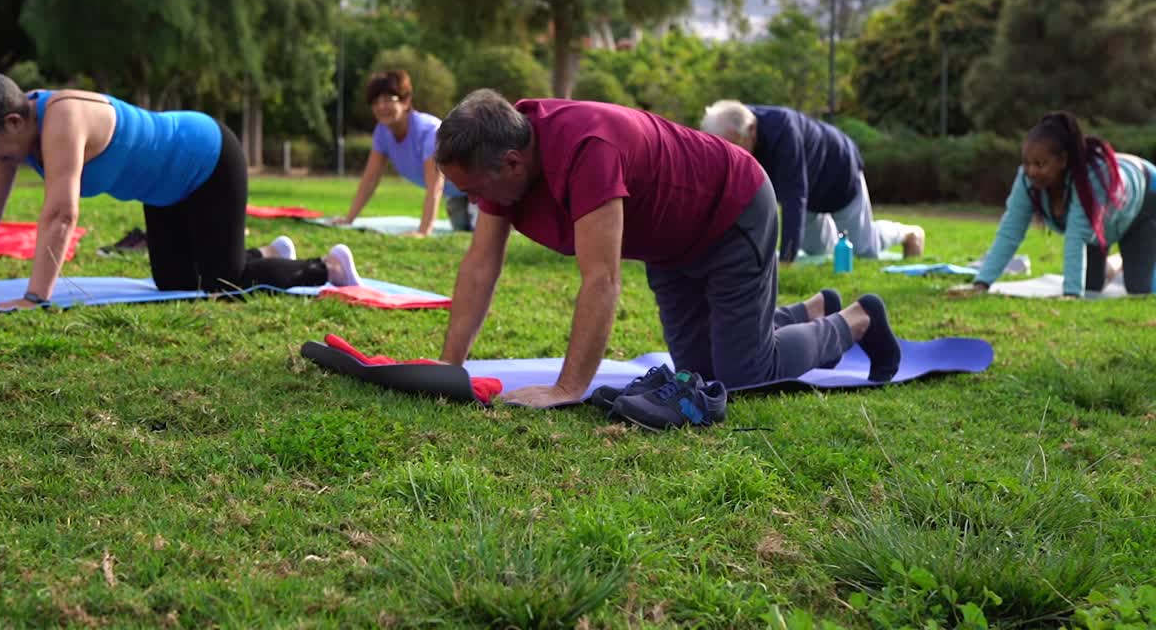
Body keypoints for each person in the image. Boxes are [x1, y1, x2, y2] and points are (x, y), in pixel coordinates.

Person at [433, 90, 903, 429]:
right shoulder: (502, 161)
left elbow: (602, 279)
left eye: (473, 190)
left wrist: (567, 388)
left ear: (513, 162)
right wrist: (450, 369)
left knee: (742, 376)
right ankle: (808, 310)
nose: (473, 203)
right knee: (699, 371)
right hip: (670, 245)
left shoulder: (586, 150)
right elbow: (480, 266)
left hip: (733, 209)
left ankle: (854, 320)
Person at [0, 71, 361, 308]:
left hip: (206, 158)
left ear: (13, 122)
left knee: (221, 286)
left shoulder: (62, 119)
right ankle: (265, 251)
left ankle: (326, 265)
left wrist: (35, 296)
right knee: (175, 283)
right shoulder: (12, 138)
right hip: (164, 191)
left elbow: (61, 213)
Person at [701, 100, 925, 263]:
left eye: (733, 146)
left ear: (750, 131)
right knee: (817, 250)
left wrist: (786, 260)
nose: (729, 156)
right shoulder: (738, 124)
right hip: (809, 191)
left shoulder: (784, 132)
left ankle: (908, 233)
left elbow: (794, 198)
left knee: (864, 250)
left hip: (839, 178)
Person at [965, 111, 1156, 297]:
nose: (1031, 171)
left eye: (1040, 164)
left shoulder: (1090, 181)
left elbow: (1076, 236)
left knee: (1139, 289)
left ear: (1063, 160)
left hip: (1145, 197)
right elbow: (1010, 231)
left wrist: (1071, 294)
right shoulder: (1026, 179)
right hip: (1100, 226)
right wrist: (982, 283)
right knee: (1091, 287)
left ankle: (1136, 257)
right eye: (1026, 163)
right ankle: (1119, 262)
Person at [337, 70, 475, 236]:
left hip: (482, 186)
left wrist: (423, 231)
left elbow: (435, 185)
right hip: (456, 194)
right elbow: (370, 179)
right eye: (375, 101)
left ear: (406, 101)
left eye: (389, 99)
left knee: (485, 233)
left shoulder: (429, 131)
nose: (381, 106)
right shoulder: (382, 132)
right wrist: (348, 219)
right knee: (462, 229)